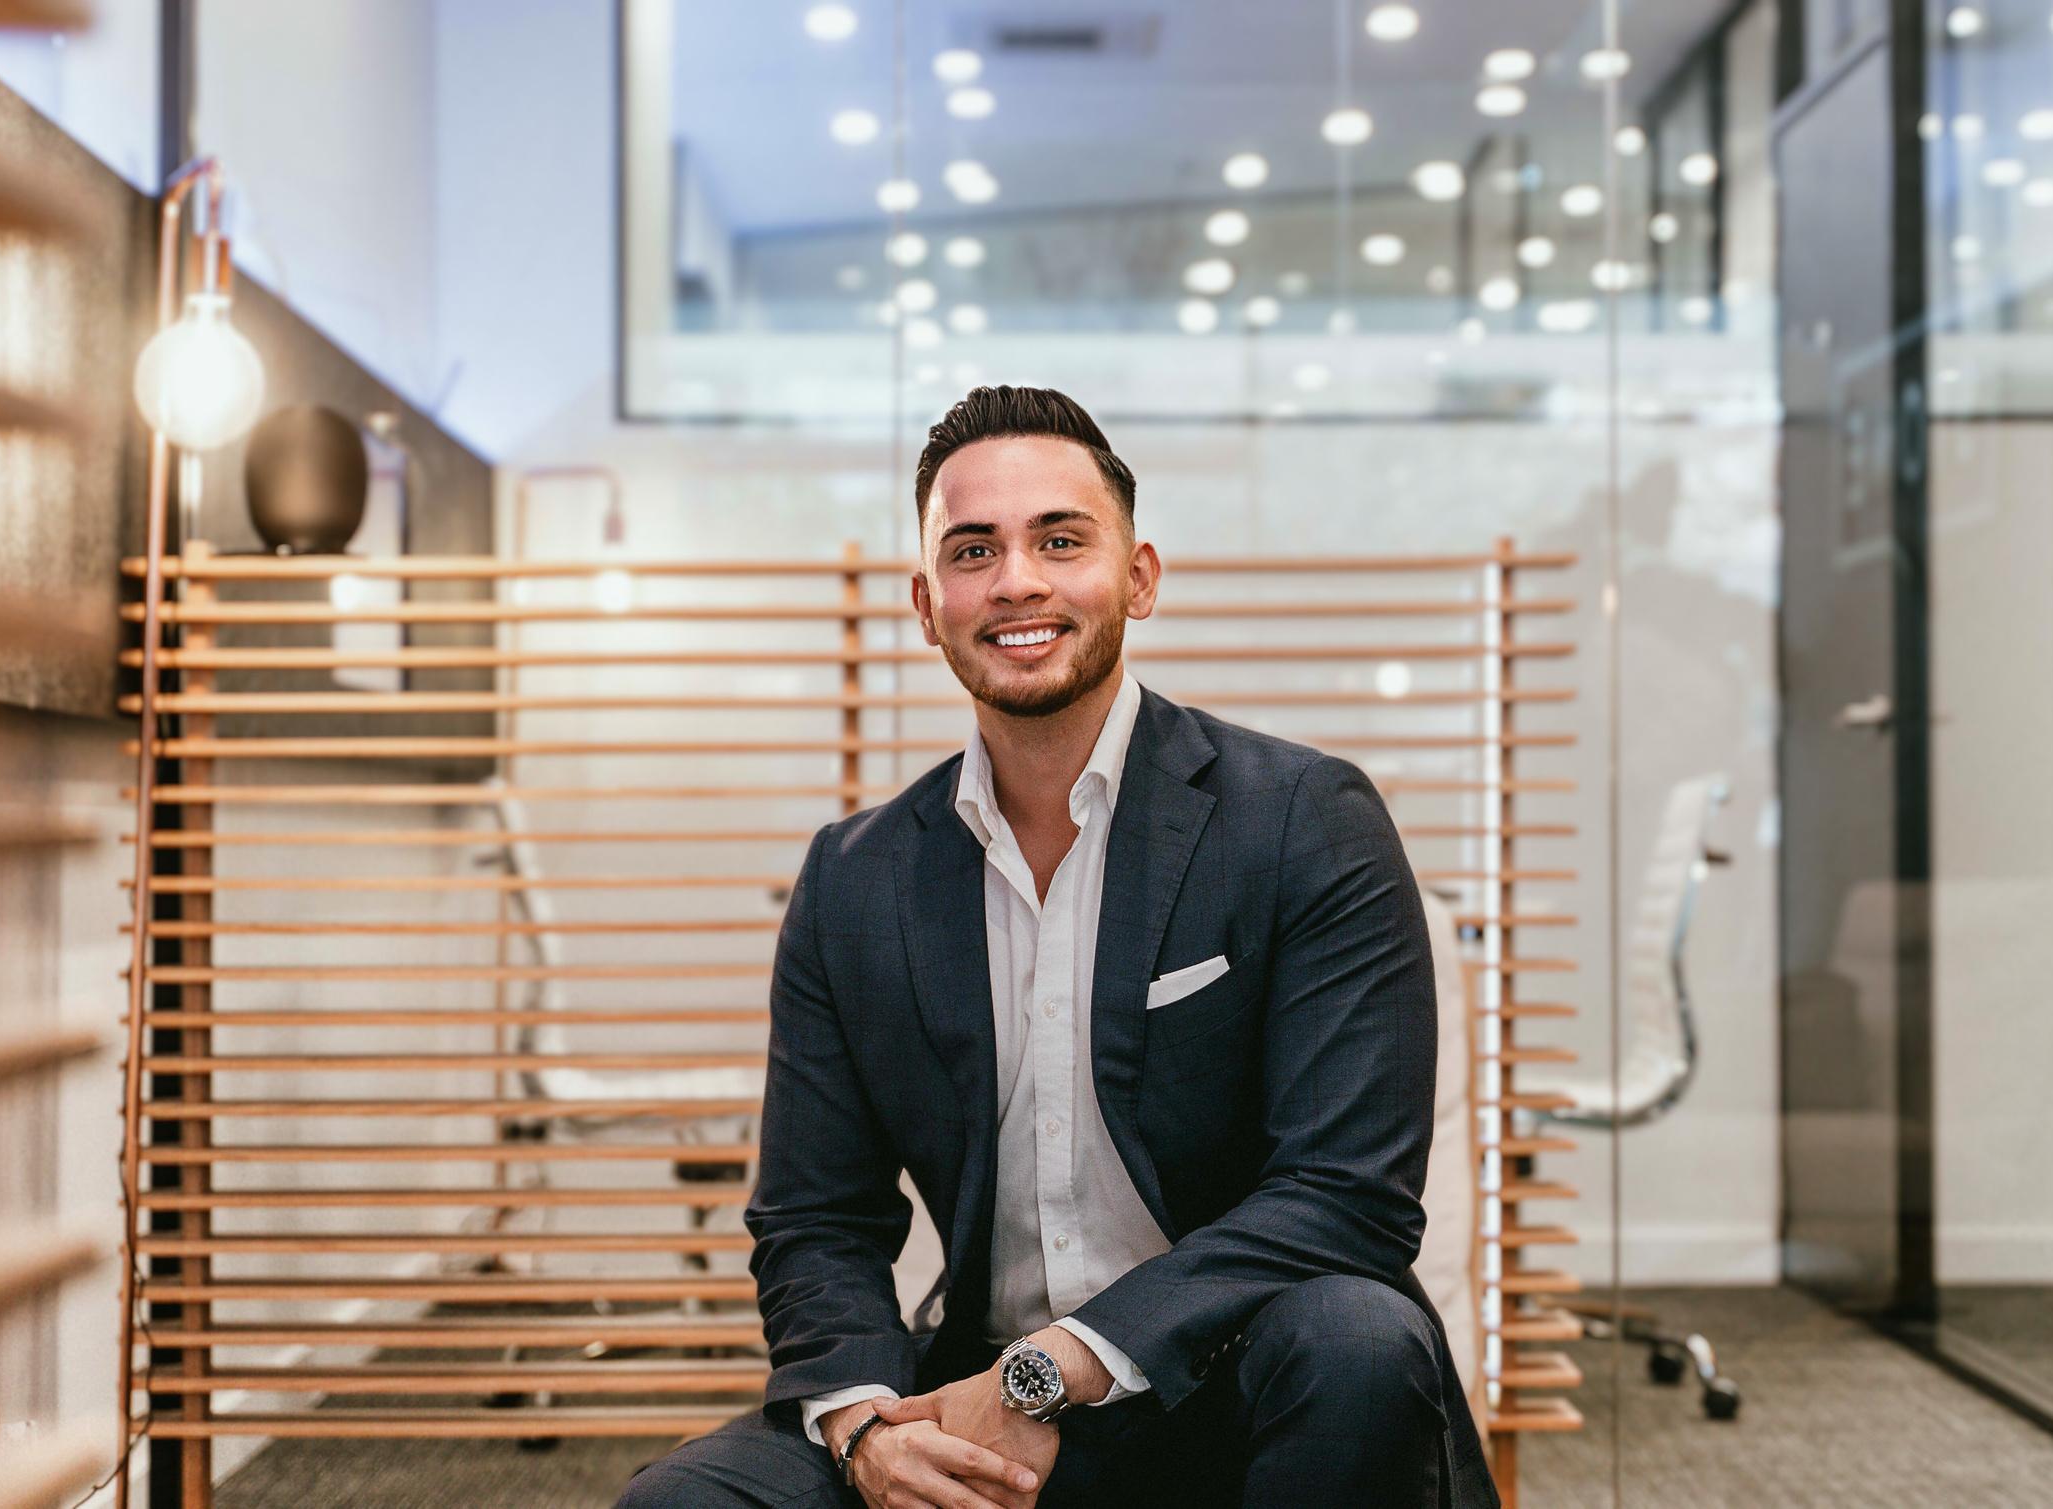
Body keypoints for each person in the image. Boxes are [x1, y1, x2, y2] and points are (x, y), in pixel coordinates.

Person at [619, 387, 1496, 1508]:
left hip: (1239, 1377)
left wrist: (1049, 1374)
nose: (1016, 581)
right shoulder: (853, 877)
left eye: (1060, 540)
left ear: (1139, 577)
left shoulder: (1302, 819)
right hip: (968, 1390)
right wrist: (865, 1429)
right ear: (927, 605)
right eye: (972, 550)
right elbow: (815, 1218)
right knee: (679, 1504)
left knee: (1359, 1338)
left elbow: (1347, 1195)